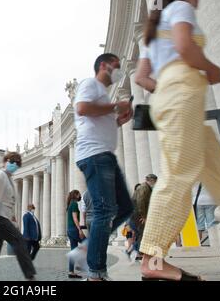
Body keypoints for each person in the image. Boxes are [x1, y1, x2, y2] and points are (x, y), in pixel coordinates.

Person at [135, 0, 220, 281]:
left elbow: (140, 77)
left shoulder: (151, 35)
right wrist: (212, 69)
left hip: (171, 96)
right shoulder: (180, 7)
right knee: (178, 174)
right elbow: (185, 46)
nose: (196, 7)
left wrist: (168, 89)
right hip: (183, 93)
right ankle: (152, 261)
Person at [74, 53, 134, 281]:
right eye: (116, 66)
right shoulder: (90, 84)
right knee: (104, 211)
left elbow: (100, 120)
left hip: (104, 154)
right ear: (103, 65)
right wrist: (116, 106)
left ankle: (89, 247)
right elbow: (82, 108)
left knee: (125, 208)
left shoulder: (103, 95)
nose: (119, 70)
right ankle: (96, 273)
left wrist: (120, 120)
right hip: (94, 154)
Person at [0, 152, 36, 281]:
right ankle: (30, 277)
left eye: (18, 163)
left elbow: (7, 202)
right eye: (12, 161)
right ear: (5, 161)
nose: (15, 164)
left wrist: (13, 217)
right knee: (19, 240)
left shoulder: (9, 180)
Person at [129, 174, 157, 257]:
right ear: (152, 180)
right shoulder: (144, 187)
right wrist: (144, 216)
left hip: (136, 214)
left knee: (139, 233)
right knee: (142, 233)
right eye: (155, 182)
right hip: (138, 214)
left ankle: (135, 251)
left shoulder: (144, 187)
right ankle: (139, 253)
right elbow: (141, 202)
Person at [66, 190, 85, 279]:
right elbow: (75, 218)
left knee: (73, 251)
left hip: (69, 230)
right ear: (76, 195)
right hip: (74, 229)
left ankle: (71, 272)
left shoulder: (70, 204)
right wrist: (80, 230)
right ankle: (81, 264)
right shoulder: (74, 204)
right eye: (79, 195)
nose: (80, 196)